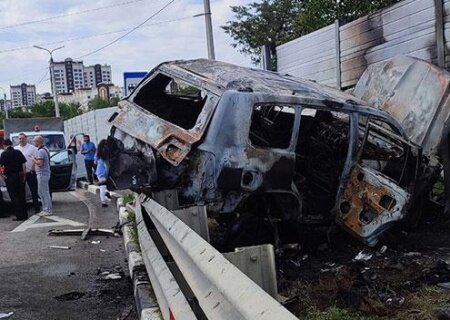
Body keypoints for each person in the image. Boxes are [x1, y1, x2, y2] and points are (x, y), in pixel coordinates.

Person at [0, 139, 27, 221]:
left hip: (10, 177)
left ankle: (19, 216)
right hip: (19, 175)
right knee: (22, 195)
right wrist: (24, 174)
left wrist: (2, 175)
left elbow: (1, 166)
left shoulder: (4, 154)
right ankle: (25, 215)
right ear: (11, 144)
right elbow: (24, 164)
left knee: (14, 196)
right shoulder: (18, 152)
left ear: (4, 145)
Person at [15, 133, 40, 213]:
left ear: (26, 139)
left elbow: (37, 159)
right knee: (21, 192)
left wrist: (34, 169)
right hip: (20, 174)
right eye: (20, 139)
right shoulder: (16, 149)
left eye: (23, 138)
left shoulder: (32, 148)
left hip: (30, 172)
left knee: (34, 191)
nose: (21, 140)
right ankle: (23, 209)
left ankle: (37, 208)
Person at [32, 135, 52, 216]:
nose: (34, 143)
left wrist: (33, 159)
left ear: (38, 141)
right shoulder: (45, 149)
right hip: (44, 173)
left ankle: (48, 209)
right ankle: (46, 208)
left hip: (42, 173)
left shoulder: (41, 151)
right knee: (41, 192)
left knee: (43, 192)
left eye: (34, 141)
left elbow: (40, 163)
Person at [95, 139, 109, 207]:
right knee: (102, 187)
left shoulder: (99, 153)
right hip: (102, 173)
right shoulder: (105, 156)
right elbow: (106, 167)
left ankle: (106, 194)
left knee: (103, 186)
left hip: (98, 172)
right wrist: (106, 174)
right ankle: (103, 202)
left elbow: (95, 161)